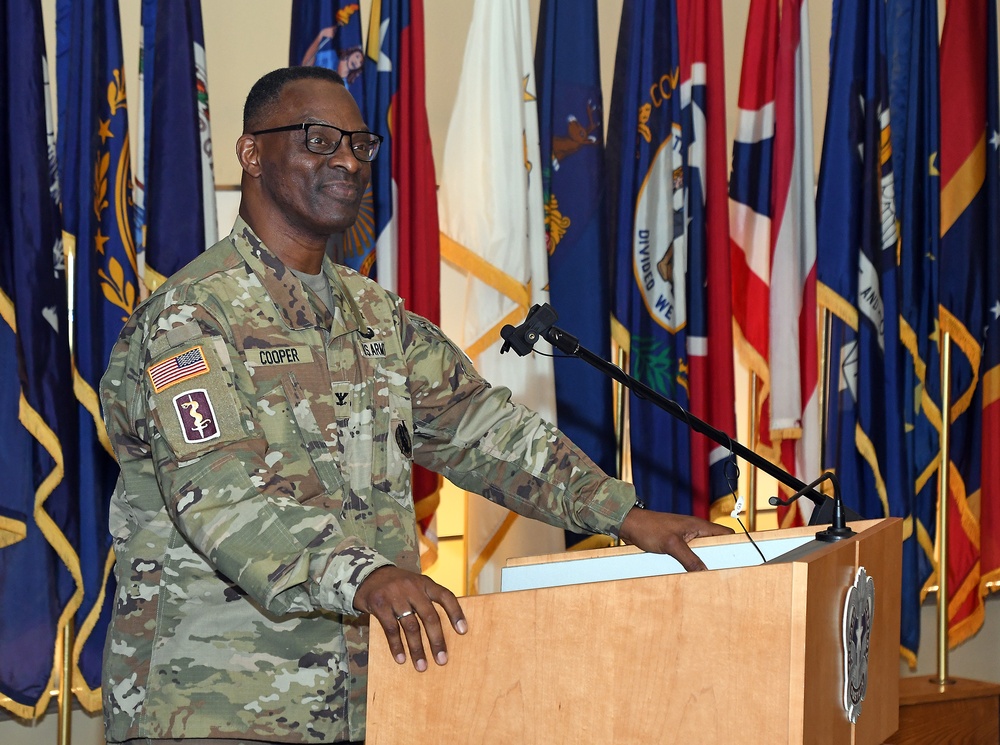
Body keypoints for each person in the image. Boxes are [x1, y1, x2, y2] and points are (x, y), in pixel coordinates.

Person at [99, 66, 731, 745]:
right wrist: (366, 574)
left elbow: (485, 431)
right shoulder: (191, 321)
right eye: (317, 140)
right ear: (252, 154)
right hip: (214, 710)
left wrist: (623, 514)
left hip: (372, 702)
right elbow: (224, 499)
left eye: (359, 144)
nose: (346, 159)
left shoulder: (377, 317)